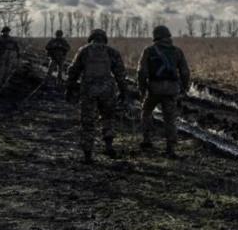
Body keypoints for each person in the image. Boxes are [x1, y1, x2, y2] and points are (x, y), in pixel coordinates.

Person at [66, 29, 127, 164]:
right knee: (108, 118)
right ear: (104, 38)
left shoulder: (84, 50)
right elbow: (120, 74)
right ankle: (109, 146)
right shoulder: (112, 52)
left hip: (88, 89)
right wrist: (124, 92)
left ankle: (88, 154)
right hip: (108, 90)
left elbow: (73, 71)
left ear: (91, 38)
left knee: (87, 121)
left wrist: (69, 88)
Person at [137, 25, 190, 158]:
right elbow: (185, 72)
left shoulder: (149, 51)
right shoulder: (177, 51)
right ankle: (170, 148)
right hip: (171, 90)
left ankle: (147, 140)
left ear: (155, 36)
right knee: (170, 119)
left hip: (154, 89)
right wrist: (184, 88)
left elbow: (141, 72)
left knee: (146, 112)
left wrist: (142, 89)